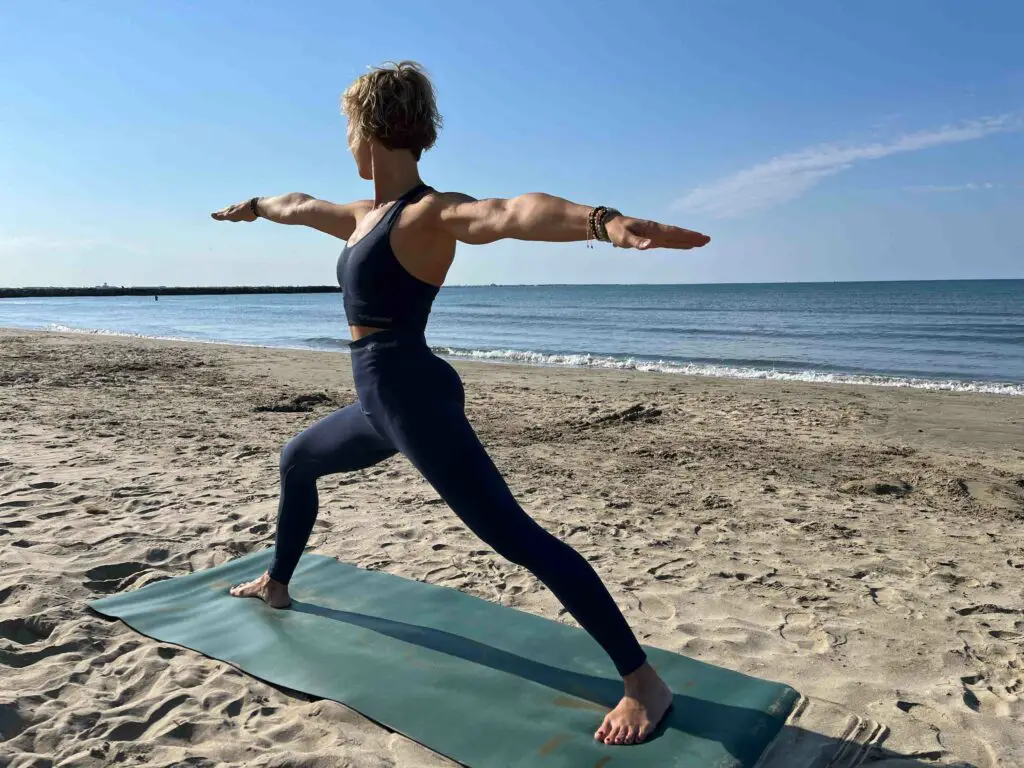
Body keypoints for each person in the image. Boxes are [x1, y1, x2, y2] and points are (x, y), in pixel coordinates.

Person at [211, 60, 710, 747]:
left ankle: (643, 684)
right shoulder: (363, 216)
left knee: (515, 536)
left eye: (349, 130)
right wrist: (255, 206)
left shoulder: (429, 214)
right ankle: (277, 582)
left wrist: (604, 222)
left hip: (412, 400)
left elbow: (508, 213)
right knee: (297, 460)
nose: (347, 145)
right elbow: (296, 205)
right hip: (378, 401)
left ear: (373, 131)